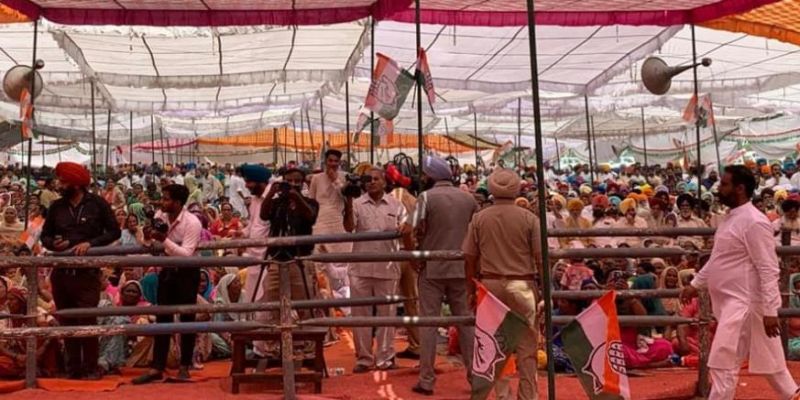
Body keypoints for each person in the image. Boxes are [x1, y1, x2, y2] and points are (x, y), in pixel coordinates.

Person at [681, 165, 800, 400]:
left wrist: (770, 310)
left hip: (743, 306)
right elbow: (719, 259)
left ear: (740, 188)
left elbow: (768, 268)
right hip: (735, 305)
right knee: (774, 367)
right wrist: (695, 283)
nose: (719, 189)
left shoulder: (754, 222)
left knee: (724, 365)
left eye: (724, 184)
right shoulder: (732, 219)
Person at [463, 168, 541, 400]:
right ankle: (528, 395)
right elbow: (540, 256)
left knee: (496, 346)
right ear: (517, 188)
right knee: (527, 347)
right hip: (523, 284)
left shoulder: (479, 218)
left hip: (491, 285)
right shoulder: (529, 218)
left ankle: (502, 395)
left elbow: (469, 257)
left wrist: (471, 289)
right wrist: (545, 292)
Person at [41, 161, 121, 380]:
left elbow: (114, 232)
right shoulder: (56, 206)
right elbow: (44, 236)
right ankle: (73, 368)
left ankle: (91, 367)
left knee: (87, 320)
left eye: (63, 181)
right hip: (61, 274)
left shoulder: (98, 204)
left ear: (76, 184)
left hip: (87, 274)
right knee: (67, 321)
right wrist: (52, 244)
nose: (59, 184)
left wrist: (91, 244)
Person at [410, 156, 476, 396]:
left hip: (433, 266)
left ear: (429, 176)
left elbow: (409, 228)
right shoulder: (468, 198)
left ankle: (426, 379)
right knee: (466, 322)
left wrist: (413, 255)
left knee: (428, 323)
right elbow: (475, 230)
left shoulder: (426, 197)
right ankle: (474, 377)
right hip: (461, 266)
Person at [343, 167, 412, 373]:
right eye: (368, 179)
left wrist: (407, 229)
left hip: (387, 268)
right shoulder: (356, 204)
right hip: (360, 268)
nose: (371, 182)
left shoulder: (397, 205)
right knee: (360, 316)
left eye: (376, 179)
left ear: (384, 182)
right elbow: (348, 227)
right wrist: (347, 200)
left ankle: (385, 358)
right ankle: (364, 358)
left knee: (387, 315)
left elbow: (406, 230)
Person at [133, 184, 202, 384]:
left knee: (187, 317)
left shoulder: (192, 222)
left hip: (187, 273)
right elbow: (148, 246)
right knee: (162, 317)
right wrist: (147, 237)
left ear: (178, 202)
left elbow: (187, 254)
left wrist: (164, 241)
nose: (162, 202)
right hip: (165, 272)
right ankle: (157, 367)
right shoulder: (160, 216)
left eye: (166, 199)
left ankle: (184, 366)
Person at [259, 168, 319, 324]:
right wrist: (271, 193)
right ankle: (274, 344)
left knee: (304, 305)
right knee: (272, 304)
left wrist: (295, 196)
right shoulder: (277, 203)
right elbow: (264, 215)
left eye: (297, 181)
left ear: (303, 183)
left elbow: (310, 216)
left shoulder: (310, 202)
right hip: (276, 259)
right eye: (289, 181)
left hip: (300, 259)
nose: (293, 184)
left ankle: (307, 344)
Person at [308, 149, 351, 314]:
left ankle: (343, 301)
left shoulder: (344, 178)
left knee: (340, 261)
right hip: (320, 222)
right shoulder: (316, 179)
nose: (333, 164)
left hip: (339, 223)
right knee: (321, 262)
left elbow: (347, 198)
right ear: (325, 161)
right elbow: (312, 201)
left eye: (336, 161)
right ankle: (325, 303)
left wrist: (336, 181)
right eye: (330, 161)